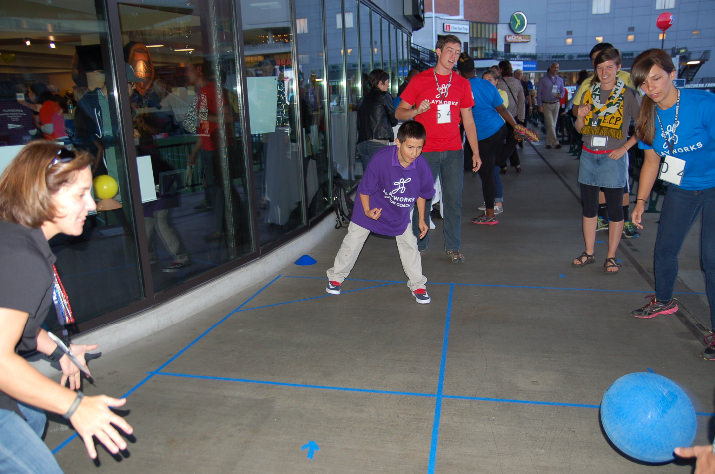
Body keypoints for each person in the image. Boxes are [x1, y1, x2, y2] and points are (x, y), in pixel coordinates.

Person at [0, 141, 134, 471]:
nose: (91, 205)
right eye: (80, 194)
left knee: (30, 413)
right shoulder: (22, 259)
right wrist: (75, 406)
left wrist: (59, 352)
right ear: (42, 195)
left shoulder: (15, 237)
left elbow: (13, 319)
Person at [629, 49, 715, 360]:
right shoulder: (648, 116)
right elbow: (651, 160)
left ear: (672, 73)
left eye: (656, 78)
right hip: (681, 188)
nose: (651, 87)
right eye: (644, 83)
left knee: (711, 259)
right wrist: (640, 202)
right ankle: (664, 299)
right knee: (664, 248)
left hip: (713, 186)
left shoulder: (703, 104)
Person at [325, 121, 435, 303]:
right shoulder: (381, 159)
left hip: (399, 211)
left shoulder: (421, 167)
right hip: (371, 205)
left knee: (410, 245)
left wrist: (421, 219)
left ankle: (418, 285)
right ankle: (336, 276)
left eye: (419, 148)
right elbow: (365, 189)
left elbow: (422, 194)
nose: (414, 153)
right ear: (397, 143)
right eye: (409, 147)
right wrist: (367, 211)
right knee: (353, 240)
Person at [395, 34, 481, 263]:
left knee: (453, 200)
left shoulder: (462, 84)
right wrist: (415, 111)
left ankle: (453, 246)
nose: (453, 56)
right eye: (450, 50)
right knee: (420, 198)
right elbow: (399, 112)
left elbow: (469, 121)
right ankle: (419, 244)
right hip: (426, 152)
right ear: (438, 52)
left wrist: (475, 151)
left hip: (453, 150)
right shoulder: (421, 80)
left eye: (457, 52)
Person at [571, 47, 640, 274]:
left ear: (618, 68)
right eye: (600, 68)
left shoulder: (628, 95)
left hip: (613, 158)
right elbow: (581, 130)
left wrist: (625, 148)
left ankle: (611, 256)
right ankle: (589, 252)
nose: (605, 72)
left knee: (615, 210)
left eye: (610, 67)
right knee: (589, 208)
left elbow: (643, 127)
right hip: (589, 155)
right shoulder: (589, 92)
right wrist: (580, 117)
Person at [458, 57, 520, 224]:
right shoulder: (486, 84)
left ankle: (490, 215)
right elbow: (501, 108)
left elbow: (460, 117)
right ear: (474, 69)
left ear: (460, 71)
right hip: (500, 128)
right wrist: (516, 127)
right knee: (495, 164)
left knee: (486, 175)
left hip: (482, 136)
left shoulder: (461, 87)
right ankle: (513, 141)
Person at [356, 69, 398, 170]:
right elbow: (394, 119)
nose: (388, 85)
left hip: (362, 143)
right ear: (380, 83)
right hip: (378, 142)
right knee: (383, 177)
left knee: (370, 179)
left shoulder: (363, 99)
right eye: (387, 82)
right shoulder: (384, 96)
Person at [497, 60, 525, 174]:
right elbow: (522, 101)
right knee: (512, 141)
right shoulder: (517, 82)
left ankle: (502, 163)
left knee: (505, 142)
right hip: (515, 116)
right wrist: (521, 118)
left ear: (502, 70)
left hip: (501, 117)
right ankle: (516, 164)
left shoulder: (498, 83)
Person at [536, 62, 565, 149]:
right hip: (546, 104)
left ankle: (548, 143)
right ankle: (556, 142)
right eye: (554, 67)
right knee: (551, 124)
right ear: (551, 68)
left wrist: (561, 95)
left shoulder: (560, 80)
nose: (556, 69)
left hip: (556, 103)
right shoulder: (543, 80)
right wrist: (539, 104)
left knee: (553, 124)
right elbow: (539, 93)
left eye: (557, 67)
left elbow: (563, 90)